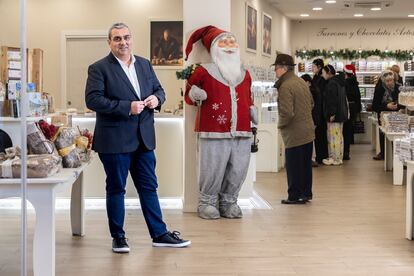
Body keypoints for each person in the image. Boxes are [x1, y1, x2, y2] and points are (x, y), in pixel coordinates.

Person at [85, 23, 191, 253]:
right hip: (114, 140)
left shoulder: (144, 64)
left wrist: (156, 99)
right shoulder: (99, 68)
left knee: (149, 187)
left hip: (143, 139)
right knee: (116, 189)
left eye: (126, 37)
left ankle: (160, 234)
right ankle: (119, 237)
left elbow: (160, 90)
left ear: (132, 39)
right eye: (117, 39)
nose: (123, 42)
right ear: (109, 42)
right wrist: (127, 107)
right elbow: (93, 100)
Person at [184, 25, 257, 219]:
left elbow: (248, 97)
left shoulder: (245, 74)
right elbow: (188, 96)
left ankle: (229, 201)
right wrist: (195, 94)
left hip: (242, 130)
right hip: (213, 130)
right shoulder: (203, 71)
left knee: (238, 168)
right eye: (224, 42)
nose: (229, 45)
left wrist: (251, 110)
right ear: (214, 47)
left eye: (232, 41)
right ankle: (207, 202)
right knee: (212, 167)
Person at [275, 54, 315, 204]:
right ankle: (306, 193)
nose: (275, 72)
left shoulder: (285, 86)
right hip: (307, 130)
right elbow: (312, 103)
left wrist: (281, 125)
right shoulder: (300, 82)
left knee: (293, 166)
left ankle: (294, 196)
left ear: (284, 68)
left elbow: (287, 112)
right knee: (305, 165)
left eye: (277, 68)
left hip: (294, 133)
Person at [321, 65, 349, 166]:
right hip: (341, 114)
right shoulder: (340, 82)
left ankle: (334, 158)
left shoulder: (332, 83)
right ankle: (338, 157)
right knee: (339, 137)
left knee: (333, 137)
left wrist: (331, 113)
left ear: (328, 72)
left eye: (323, 72)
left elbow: (332, 100)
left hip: (334, 115)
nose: (322, 74)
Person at [372, 70, 402, 160]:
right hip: (383, 116)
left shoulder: (398, 87)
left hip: (397, 116)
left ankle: (397, 156)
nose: (390, 83)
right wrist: (386, 106)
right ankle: (383, 154)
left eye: (391, 80)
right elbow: (375, 106)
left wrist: (398, 105)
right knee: (383, 135)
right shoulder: (379, 88)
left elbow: (403, 102)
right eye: (387, 81)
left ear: (394, 79)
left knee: (396, 136)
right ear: (383, 81)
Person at [311, 59, 329, 165]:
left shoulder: (321, 80)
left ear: (319, 67)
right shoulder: (317, 78)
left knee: (320, 134)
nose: (312, 68)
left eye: (313, 66)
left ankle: (321, 156)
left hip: (320, 111)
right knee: (318, 134)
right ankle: (320, 155)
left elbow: (320, 96)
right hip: (318, 110)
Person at [343, 64, 362, 160]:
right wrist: (358, 109)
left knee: (344, 130)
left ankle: (343, 151)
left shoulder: (345, 83)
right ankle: (346, 152)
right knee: (348, 130)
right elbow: (358, 97)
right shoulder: (355, 83)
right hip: (353, 108)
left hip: (346, 108)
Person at [301, 74, 319, 167]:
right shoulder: (314, 91)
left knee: (310, 139)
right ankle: (312, 158)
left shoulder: (309, 92)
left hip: (311, 118)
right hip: (314, 118)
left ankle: (311, 158)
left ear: (308, 82)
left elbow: (311, 106)